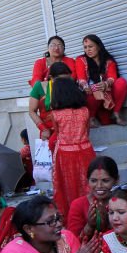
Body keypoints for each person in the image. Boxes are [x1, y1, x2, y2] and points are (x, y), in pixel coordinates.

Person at [49, 76, 95, 218]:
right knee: (89, 185)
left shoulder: (55, 114)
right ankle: (93, 214)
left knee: (69, 188)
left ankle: (74, 217)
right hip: (86, 150)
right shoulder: (85, 111)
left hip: (65, 153)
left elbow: (58, 134)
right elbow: (87, 132)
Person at [74, 34, 127, 126]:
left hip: (108, 97)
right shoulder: (81, 60)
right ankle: (91, 118)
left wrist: (106, 84)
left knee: (121, 82)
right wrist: (85, 86)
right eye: (85, 47)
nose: (88, 50)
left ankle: (116, 113)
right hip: (92, 98)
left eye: (91, 46)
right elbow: (81, 79)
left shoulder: (108, 61)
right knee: (95, 88)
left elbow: (112, 77)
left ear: (99, 46)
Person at [66, 156, 118, 243]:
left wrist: (109, 222)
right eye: (93, 181)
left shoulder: (122, 202)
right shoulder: (78, 205)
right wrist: (89, 226)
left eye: (105, 180)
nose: (99, 186)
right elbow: (72, 243)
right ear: (87, 181)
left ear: (116, 180)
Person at [28, 60, 74, 149]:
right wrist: (43, 129)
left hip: (67, 130)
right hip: (47, 131)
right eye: (60, 80)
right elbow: (32, 111)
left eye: (67, 79)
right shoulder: (40, 86)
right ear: (51, 78)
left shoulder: (71, 86)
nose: (65, 83)